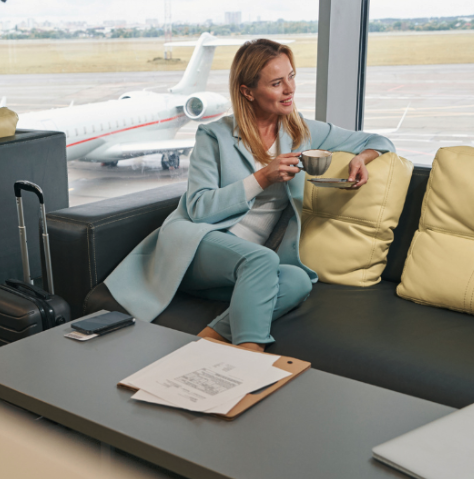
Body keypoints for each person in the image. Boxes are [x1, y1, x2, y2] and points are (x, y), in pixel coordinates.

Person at [104, 39, 395, 351]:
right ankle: (249, 357)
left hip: (244, 264)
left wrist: (360, 159)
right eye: (276, 82)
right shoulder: (213, 136)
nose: (289, 90)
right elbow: (199, 208)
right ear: (247, 91)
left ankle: (212, 337)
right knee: (261, 260)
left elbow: (378, 139)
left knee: (297, 280)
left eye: (292, 77)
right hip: (197, 244)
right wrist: (261, 178)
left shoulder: (303, 133)